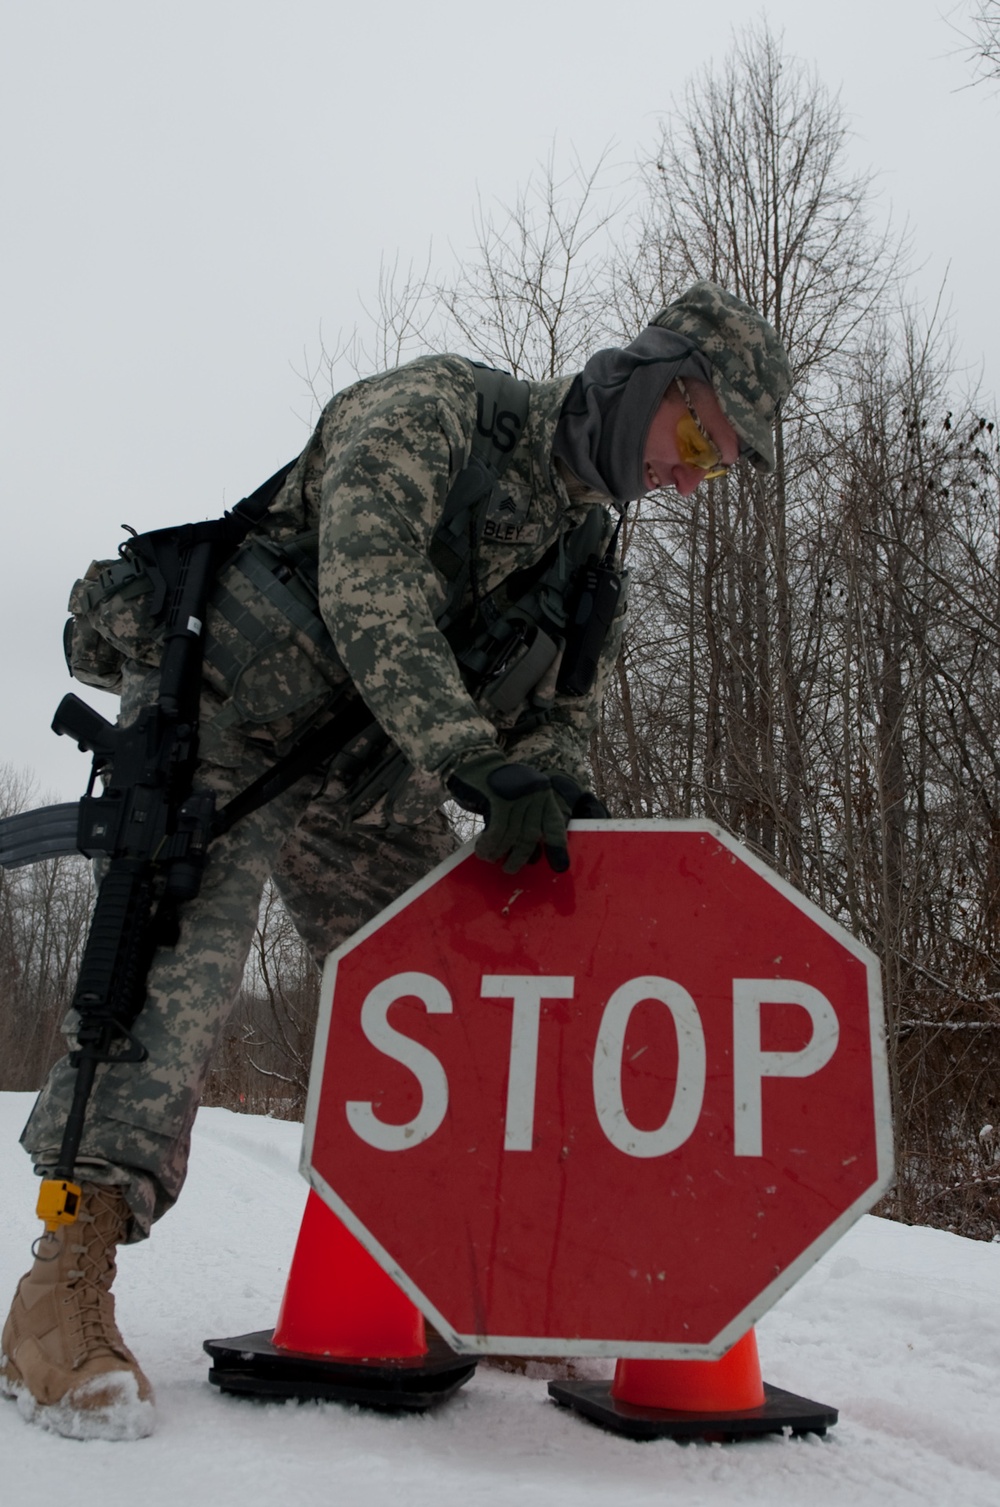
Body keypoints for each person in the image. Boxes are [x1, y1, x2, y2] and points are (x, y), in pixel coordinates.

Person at [0, 281, 791, 1440]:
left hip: (363, 778)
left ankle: (467, 1277)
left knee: (465, 992)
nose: (687, 477)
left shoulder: (584, 561)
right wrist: (474, 759)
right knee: (177, 979)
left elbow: (562, 716)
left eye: (711, 469)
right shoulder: (437, 410)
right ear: (642, 379)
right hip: (226, 715)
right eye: (693, 439)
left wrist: (556, 788)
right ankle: (57, 1292)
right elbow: (368, 585)